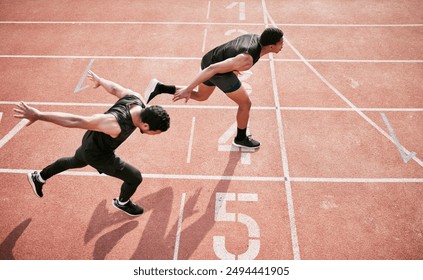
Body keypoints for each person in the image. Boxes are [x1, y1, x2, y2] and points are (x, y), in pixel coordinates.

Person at [13, 71, 170, 216]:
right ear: (146, 126)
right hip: (98, 155)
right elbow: (76, 120)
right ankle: (122, 203)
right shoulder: (114, 123)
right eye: (155, 133)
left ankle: (39, 177)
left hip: (91, 143)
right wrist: (39, 115)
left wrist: (100, 81)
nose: (154, 136)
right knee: (135, 177)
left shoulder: (137, 99)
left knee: (74, 161)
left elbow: (115, 88)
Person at [144, 27, 283, 148]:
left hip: (210, 58)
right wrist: (188, 88)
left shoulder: (254, 37)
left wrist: (233, 68)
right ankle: (240, 138)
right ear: (271, 46)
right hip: (215, 69)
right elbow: (213, 69)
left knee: (201, 96)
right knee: (245, 104)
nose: (282, 45)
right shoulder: (246, 59)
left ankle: (160, 88)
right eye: (280, 43)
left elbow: (231, 48)